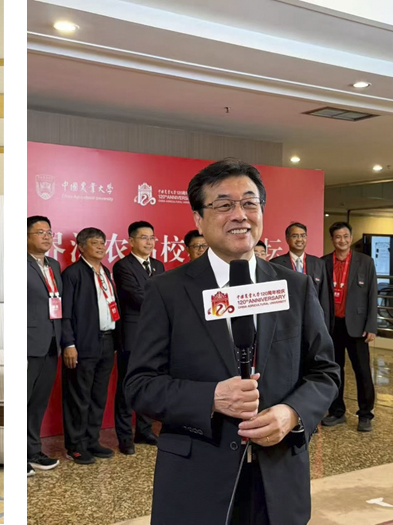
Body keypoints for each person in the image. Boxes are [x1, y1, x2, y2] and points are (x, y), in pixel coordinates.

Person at [125, 158, 339, 524]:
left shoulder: (295, 286)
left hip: (278, 481)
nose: (240, 215)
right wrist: (210, 397)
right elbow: (140, 385)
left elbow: (325, 373)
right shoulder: (168, 291)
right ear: (198, 219)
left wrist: (292, 414)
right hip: (197, 481)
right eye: (224, 205)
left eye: (250, 203)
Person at [61, 228, 120, 464]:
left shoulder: (105, 271)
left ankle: (92, 440)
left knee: (98, 395)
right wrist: (69, 343)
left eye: (103, 243)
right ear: (81, 247)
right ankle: (75, 445)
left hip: (107, 341)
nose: (101, 247)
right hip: (83, 344)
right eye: (94, 243)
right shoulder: (73, 273)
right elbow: (64, 313)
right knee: (79, 396)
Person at [321, 222, 378, 432]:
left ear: (350, 237)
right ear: (332, 239)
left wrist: (372, 326)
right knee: (334, 371)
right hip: (332, 326)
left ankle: (365, 414)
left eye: (345, 236)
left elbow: (373, 295)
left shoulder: (365, 262)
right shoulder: (324, 263)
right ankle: (337, 412)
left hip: (357, 326)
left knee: (362, 371)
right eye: (337, 237)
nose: (342, 240)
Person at [112, 221, 163, 454]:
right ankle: (124, 437)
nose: (149, 242)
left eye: (152, 237)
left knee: (148, 383)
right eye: (144, 237)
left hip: (155, 335)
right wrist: (163, 307)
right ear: (131, 241)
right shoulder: (122, 266)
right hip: (132, 334)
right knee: (126, 385)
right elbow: (136, 296)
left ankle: (144, 431)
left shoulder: (159, 265)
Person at [27, 216, 62, 476]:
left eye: (49, 232)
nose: (47, 236)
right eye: (40, 232)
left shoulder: (53, 265)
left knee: (38, 403)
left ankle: (32, 450)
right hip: (28, 345)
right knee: (22, 401)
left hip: (52, 342)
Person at [270, 222, 331, 329]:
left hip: (314, 320)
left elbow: (324, 297)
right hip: (287, 321)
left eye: (303, 236)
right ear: (287, 239)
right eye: (295, 236)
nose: (299, 239)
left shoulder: (319, 263)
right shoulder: (275, 264)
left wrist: (325, 324)